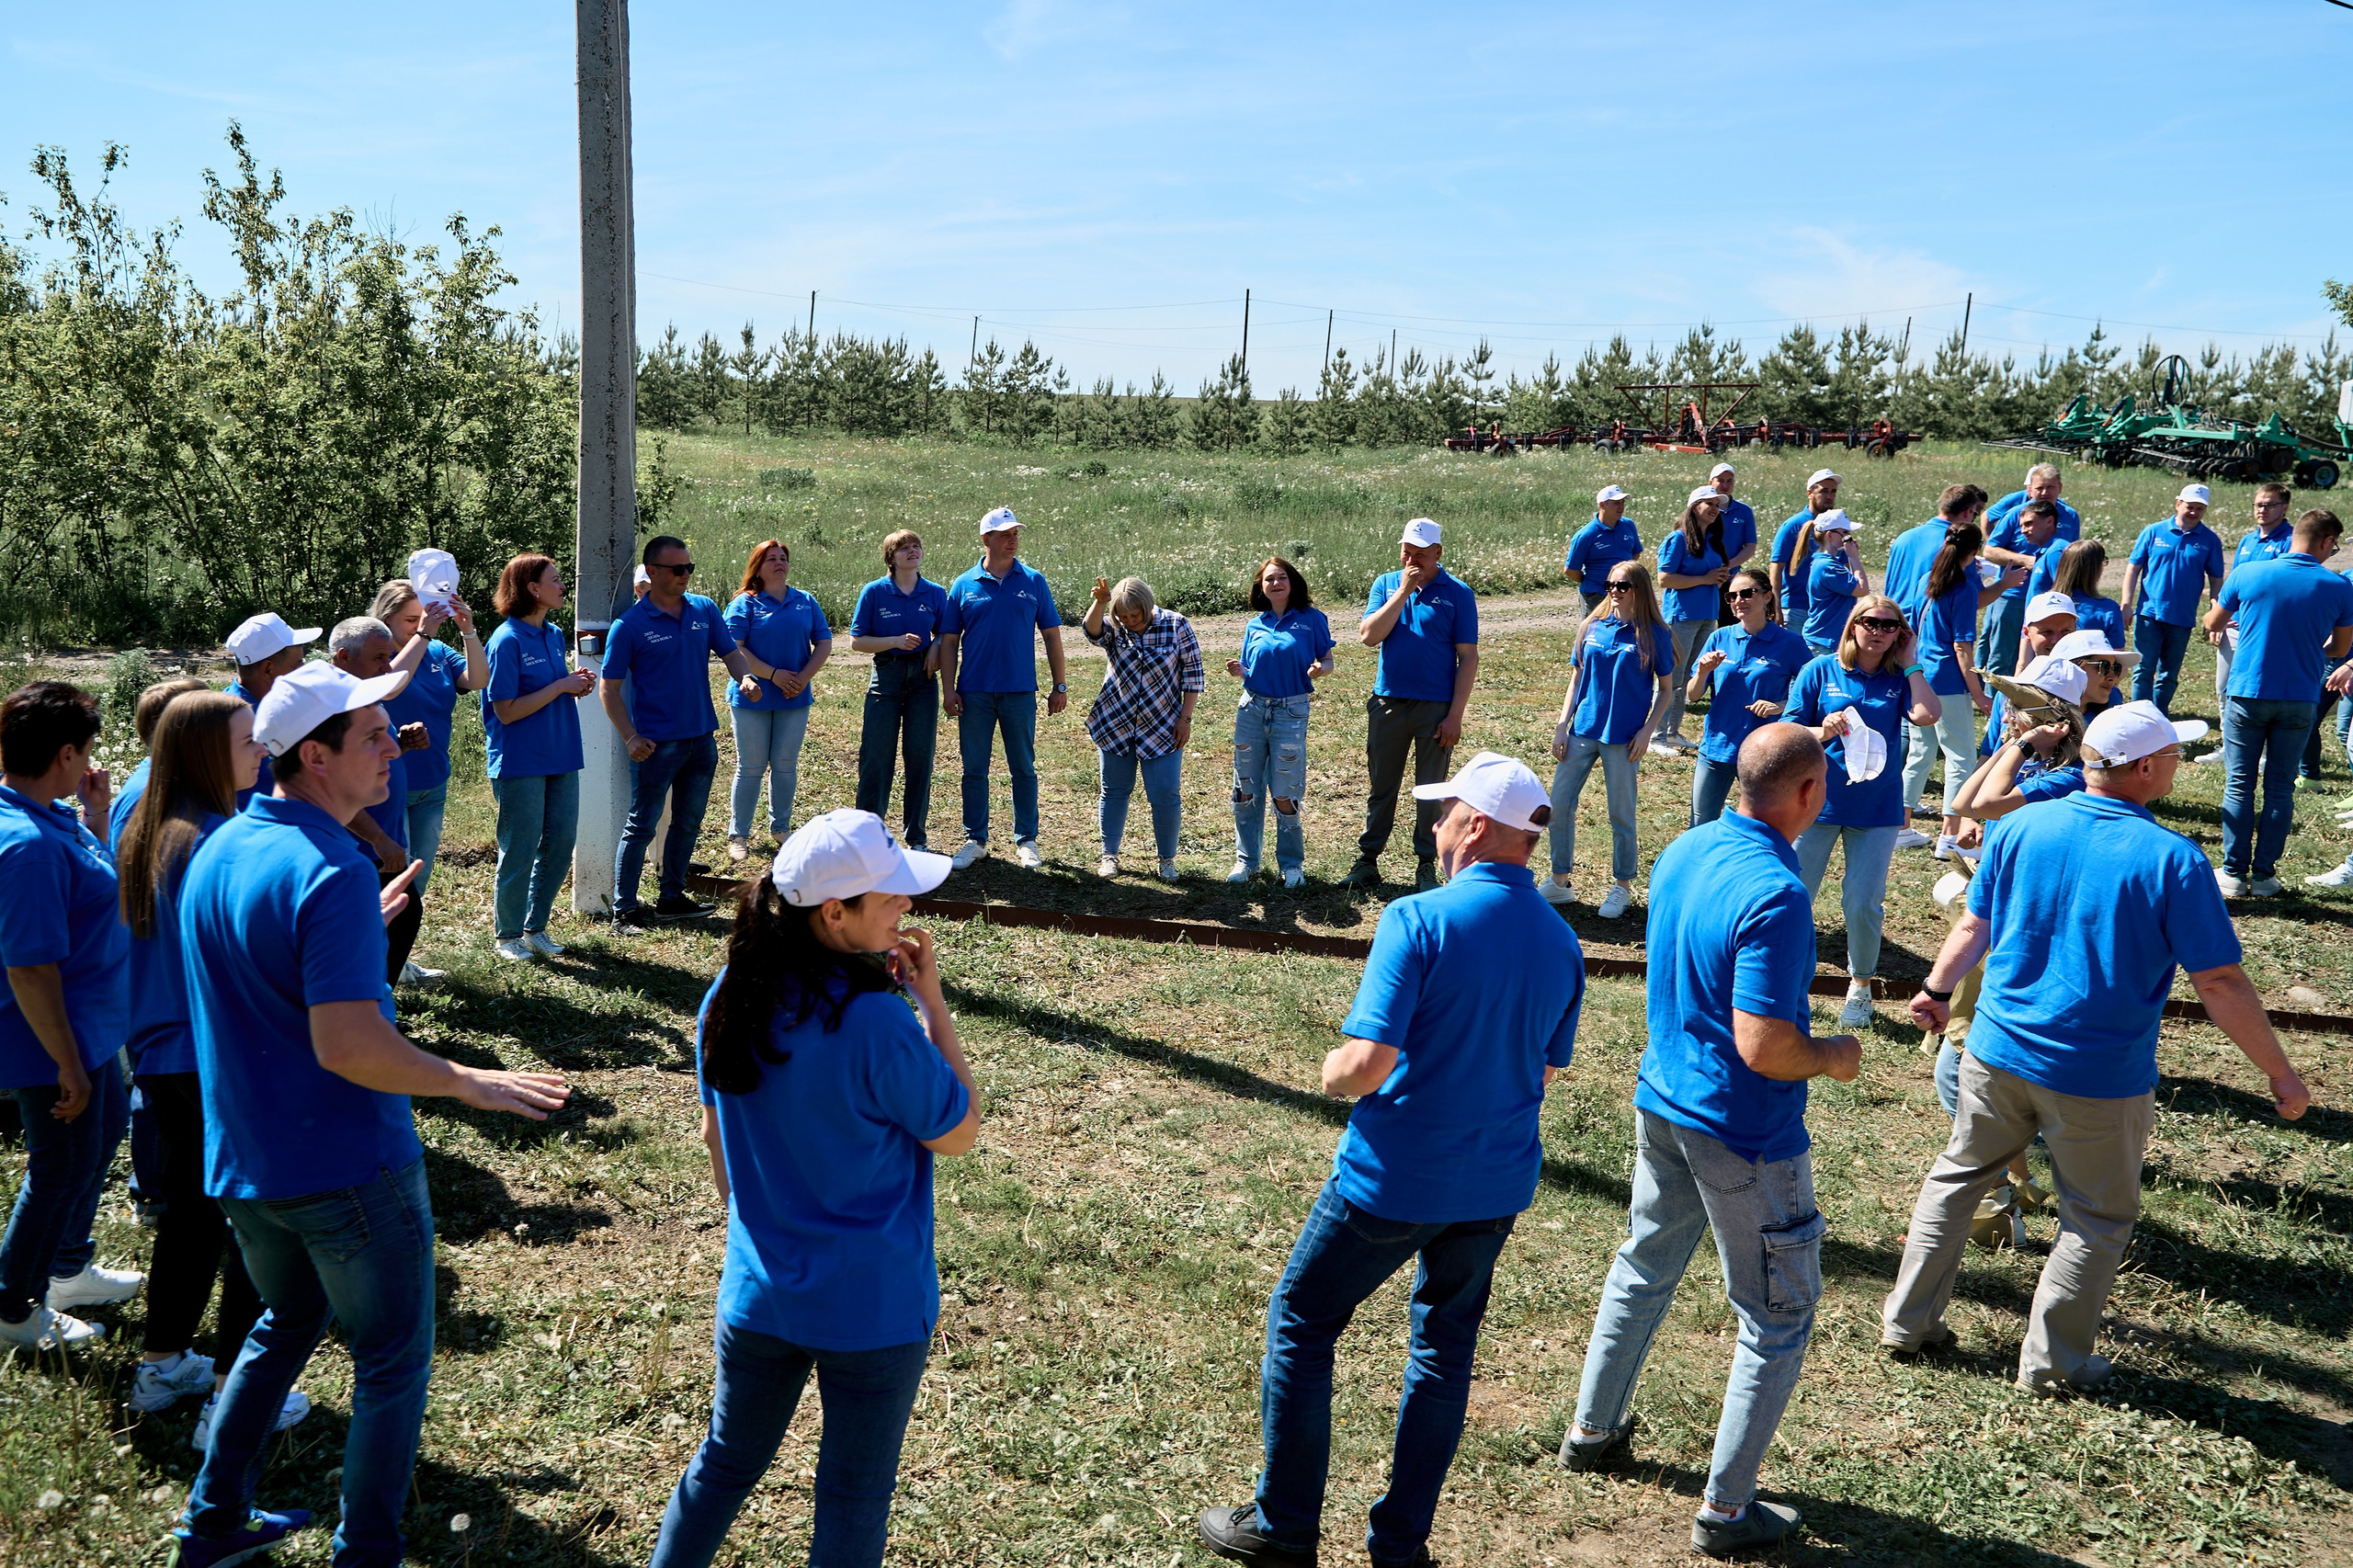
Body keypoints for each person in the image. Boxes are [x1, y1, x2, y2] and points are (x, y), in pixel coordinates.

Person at [169, 662, 569, 1568]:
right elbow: (348, 1045)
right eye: (374, 735)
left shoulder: (223, 845)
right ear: (315, 755)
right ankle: (368, 1551)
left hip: (246, 1165)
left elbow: (267, 973)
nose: (398, 744)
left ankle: (211, 1521)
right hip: (347, 1166)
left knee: (281, 1323)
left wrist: (355, 926)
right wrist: (471, 1079)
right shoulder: (332, 868)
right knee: (389, 1360)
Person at [1198, 753, 1581, 1568]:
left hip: (1394, 1177)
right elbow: (1547, 1065)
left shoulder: (1418, 919)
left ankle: (1284, 1525)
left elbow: (1366, 1063)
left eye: (1444, 814)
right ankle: (1400, 1546)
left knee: (1303, 1320)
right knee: (1443, 1352)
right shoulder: (1561, 941)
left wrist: (1330, 1072)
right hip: (1494, 1182)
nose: (1435, 827)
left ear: (1476, 827)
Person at [1884, 701, 2310, 1394]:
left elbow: (1974, 924)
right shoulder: (2173, 859)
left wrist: (1936, 988)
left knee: (1956, 1179)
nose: (2178, 764)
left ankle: (1907, 1322)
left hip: (1994, 1052)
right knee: (2097, 1217)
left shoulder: (2021, 826)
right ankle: (2053, 1365)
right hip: (2097, 1075)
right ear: (2143, 767)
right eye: (2173, 755)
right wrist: (2281, 1074)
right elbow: (2222, 983)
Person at [1562, 723, 1859, 1561]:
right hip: (1745, 1132)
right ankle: (1727, 1513)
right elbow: (1764, 1044)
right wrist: (1835, 1057)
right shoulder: (1778, 891)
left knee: (1644, 1264)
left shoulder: (1684, 850)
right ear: (1805, 795)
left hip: (1663, 1103)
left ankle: (1593, 1429)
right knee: (1777, 1316)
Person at [648, 811, 976, 1568]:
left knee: (723, 1465)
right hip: (873, 1308)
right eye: (889, 895)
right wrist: (931, 1005)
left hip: (760, 1296)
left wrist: (764, 1235)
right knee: (854, 1498)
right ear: (835, 913)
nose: (906, 906)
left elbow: (712, 1137)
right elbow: (957, 1131)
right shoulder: (879, 1024)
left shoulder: (731, 993)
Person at [113, 689, 314, 1445]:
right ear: (204, 753)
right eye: (246, 740)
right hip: (211, 1055)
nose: (262, 750)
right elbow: (246, 959)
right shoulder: (212, 839)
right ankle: (236, 1395)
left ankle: (163, 1363)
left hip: (162, 1053)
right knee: (251, 1225)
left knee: (194, 1217)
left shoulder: (149, 824)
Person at [0, 682, 139, 1353]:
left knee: (105, 1130)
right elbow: (29, 968)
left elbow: (88, 877)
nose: (89, 759)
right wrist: (64, 1064)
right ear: (64, 752)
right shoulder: (24, 841)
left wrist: (97, 812)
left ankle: (67, 1268)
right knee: (59, 1165)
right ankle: (14, 1307)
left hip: (89, 1025)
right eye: (85, 749)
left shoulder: (48, 814)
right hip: (51, 1039)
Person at [600, 535, 776, 928]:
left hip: (701, 739)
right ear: (653, 572)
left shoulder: (704, 609)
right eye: (677, 569)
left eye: (689, 568)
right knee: (641, 824)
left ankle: (671, 897)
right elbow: (608, 689)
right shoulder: (628, 626)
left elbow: (730, 651)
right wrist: (631, 737)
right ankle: (624, 909)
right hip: (655, 745)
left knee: (687, 821)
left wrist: (745, 676)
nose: (685, 575)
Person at [1786, 594, 1942, 1028]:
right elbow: (1790, 727)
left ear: (1900, 634)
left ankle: (1860, 986)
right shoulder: (1821, 669)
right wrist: (1824, 728)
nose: (1878, 631)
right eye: (1870, 622)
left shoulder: (1898, 677)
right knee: (1796, 895)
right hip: (1818, 802)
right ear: (1854, 624)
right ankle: (1785, 979)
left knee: (1863, 903)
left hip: (1876, 808)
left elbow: (1928, 714)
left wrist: (1911, 661)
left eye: (1890, 626)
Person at [2202, 507, 2353, 897]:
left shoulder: (2249, 573)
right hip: (2299, 696)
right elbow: (2341, 646)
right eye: (2333, 547)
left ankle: (2233, 874)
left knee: (2239, 785)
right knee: (2280, 788)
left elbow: (2212, 623)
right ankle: (2266, 875)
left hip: (2248, 691)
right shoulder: (2337, 586)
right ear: (2324, 541)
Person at [1346, 518, 1480, 893]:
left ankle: (1426, 864)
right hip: (1388, 702)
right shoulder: (1387, 584)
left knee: (1431, 788)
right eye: (1407, 551)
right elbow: (1369, 637)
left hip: (1435, 708)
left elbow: (1467, 657)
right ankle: (1368, 860)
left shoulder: (1458, 593)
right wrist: (1403, 593)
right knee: (1381, 785)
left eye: (1420, 554)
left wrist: (1455, 715)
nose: (1412, 560)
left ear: (1438, 552)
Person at [938, 507, 1069, 871]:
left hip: (1019, 691)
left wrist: (1059, 684)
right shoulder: (963, 585)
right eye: (1005, 534)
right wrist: (949, 690)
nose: (1013, 540)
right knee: (974, 768)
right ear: (986, 539)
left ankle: (1027, 840)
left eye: (1015, 533)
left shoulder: (1033, 580)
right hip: (975, 692)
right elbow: (949, 642)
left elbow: (1052, 636)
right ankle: (975, 839)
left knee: (1023, 767)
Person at [483, 553, 596, 962]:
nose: (563, 585)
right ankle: (507, 935)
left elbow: (552, 688)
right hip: (520, 761)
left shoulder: (551, 634)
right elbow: (506, 710)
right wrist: (560, 686)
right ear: (532, 588)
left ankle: (536, 927)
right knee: (521, 846)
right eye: (556, 579)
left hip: (562, 754)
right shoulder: (506, 639)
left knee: (562, 842)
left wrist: (574, 685)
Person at [1545, 563, 1673, 916]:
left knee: (1621, 814)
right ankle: (1559, 882)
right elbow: (1576, 679)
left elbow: (1666, 690)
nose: (1614, 590)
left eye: (1623, 585)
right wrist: (1561, 724)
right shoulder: (1591, 627)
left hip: (1624, 738)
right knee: (1558, 806)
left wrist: (1648, 732)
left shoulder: (1654, 635)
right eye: (1610, 584)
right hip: (1582, 731)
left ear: (1639, 589)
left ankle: (1622, 886)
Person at [1899, 522, 2016, 855]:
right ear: (1975, 551)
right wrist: (1980, 694)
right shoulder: (1963, 588)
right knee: (1961, 757)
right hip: (1948, 682)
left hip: (1919, 677)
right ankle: (1950, 836)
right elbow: (1962, 648)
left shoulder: (1929, 580)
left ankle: (1901, 826)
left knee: (1920, 754)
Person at [329, 619, 432, 986]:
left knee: (400, 917)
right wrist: (379, 839)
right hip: (355, 850)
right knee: (382, 929)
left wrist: (401, 744)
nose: (388, 667)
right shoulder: (333, 709)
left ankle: (377, 1007)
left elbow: (364, 765)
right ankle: (370, 1012)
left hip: (376, 846)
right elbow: (330, 789)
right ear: (343, 657)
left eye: (389, 657)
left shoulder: (365, 697)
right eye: (379, 658)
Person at [372, 577, 487, 900]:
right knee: (394, 878)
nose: (420, 624)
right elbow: (390, 684)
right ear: (386, 620)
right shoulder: (376, 658)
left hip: (433, 782)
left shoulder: (437, 650)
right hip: (389, 786)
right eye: (411, 619)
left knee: (417, 881)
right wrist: (423, 633)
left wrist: (468, 630)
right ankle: (383, 949)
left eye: (424, 616)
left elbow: (478, 680)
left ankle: (402, 949)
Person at [1084, 576, 1205, 881]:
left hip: (1163, 727)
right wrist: (1101, 602)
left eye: (1134, 616)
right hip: (1116, 724)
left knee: (1165, 794)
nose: (1129, 621)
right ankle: (1109, 856)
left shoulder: (1176, 625)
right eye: (1122, 616)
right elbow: (1092, 631)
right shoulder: (1116, 628)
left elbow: (1193, 675)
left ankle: (1167, 860)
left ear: (1147, 607)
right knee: (1113, 791)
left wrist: (1185, 718)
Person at [723, 539, 834, 861]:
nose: (779, 563)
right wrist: (773, 674)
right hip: (753, 696)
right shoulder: (745, 603)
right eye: (771, 558)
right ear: (757, 565)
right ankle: (739, 834)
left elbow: (824, 643)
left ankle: (781, 828)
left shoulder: (805, 600)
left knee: (785, 766)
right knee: (751, 767)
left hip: (794, 697)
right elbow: (735, 649)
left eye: (783, 557)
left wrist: (803, 678)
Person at [1227, 557, 1334, 888]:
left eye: (1282, 577)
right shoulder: (1254, 625)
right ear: (1261, 587)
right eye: (1269, 579)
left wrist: (1320, 670)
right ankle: (1247, 861)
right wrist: (1239, 672)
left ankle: (1291, 865)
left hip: (1291, 711)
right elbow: (1251, 668)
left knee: (1285, 792)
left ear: (1292, 582)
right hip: (1252, 709)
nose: (1276, 583)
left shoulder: (1312, 619)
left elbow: (1327, 660)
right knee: (1245, 789)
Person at [1687, 566, 1811, 826]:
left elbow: (1810, 692)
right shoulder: (1719, 637)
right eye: (1731, 596)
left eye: (1746, 593)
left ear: (1767, 597)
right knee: (1701, 822)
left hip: (1762, 752)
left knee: (1762, 823)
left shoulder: (1790, 643)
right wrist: (1702, 672)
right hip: (1717, 748)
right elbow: (1693, 695)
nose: (1738, 601)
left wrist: (1780, 706)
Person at [848, 529, 948, 850]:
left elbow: (948, 633)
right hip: (886, 676)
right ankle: (868, 838)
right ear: (891, 558)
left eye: (916, 546)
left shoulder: (934, 593)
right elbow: (856, 641)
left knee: (920, 757)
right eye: (903, 548)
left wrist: (934, 648)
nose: (911, 551)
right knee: (877, 757)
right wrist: (893, 641)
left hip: (923, 679)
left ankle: (916, 837)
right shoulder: (875, 592)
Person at [2122, 484, 2227, 716]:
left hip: (2182, 617)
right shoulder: (2154, 531)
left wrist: (2215, 610)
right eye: (2190, 507)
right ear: (2178, 504)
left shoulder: (2210, 540)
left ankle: (2159, 716)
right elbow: (2133, 568)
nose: (2194, 512)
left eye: (2200, 508)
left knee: (2169, 673)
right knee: (2143, 668)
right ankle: (2138, 715)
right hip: (2149, 613)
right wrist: (2126, 603)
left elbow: (2216, 579)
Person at [1981, 465, 2084, 676]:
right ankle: (1997, 704)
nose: (2045, 492)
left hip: (2051, 600)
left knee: (2045, 656)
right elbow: (1990, 551)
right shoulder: (2016, 515)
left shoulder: (2070, 516)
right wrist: (2026, 560)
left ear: (2060, 488)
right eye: (2040, 488)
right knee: (2003, 656)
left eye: (2050, 487)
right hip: (2014, 596)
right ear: (2030, 490)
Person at [1653, 486, 1733, 752]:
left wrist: (1719, 578)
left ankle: (1672, 732)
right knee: (1672, 675)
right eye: (1708, 503)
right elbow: (1664, 579)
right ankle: (1656, 734)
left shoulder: (1711, 540)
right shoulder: (1677, 539)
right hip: (1681, 616)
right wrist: (1705, 578)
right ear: (1693, 507)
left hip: (1707, 616)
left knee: (1689, 674)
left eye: (1717, 505)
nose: (1714, 508)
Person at [222, 612, 322, 809]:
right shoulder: (230, 721)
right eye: (297, 664)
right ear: (268, 669)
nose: (304, 670)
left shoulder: (283, 705)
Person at [2213, 483, 2296, 704]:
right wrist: (2221, 619)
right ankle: (2227, 736)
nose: (2262, 510)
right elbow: (2233, 583)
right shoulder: (2247, 541)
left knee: (2258, 687)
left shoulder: (2291, 541)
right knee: (2224, 687)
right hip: (2236, 625)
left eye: (2270, 505)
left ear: (2284, 508)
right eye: (2259, 505)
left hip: (2266, 628)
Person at [1883, 485, 1988, 631]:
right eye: (1974, 513)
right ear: (1967, 512)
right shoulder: (1958, 544)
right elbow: (1977, 599)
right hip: (1924, 629)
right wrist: (2006, 583)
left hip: (1891, 623)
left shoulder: (1904, 537)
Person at [1769, 468, 1840, 626]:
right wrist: (1776, 605)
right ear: (1810, 493)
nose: (1829, 497)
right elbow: (1776, 567)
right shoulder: (1793, 526)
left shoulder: (1837, 526)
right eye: (1824, 491)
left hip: (1827, 609)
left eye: (1833, 492)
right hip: (1797, 609)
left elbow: (1844, 565)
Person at [1796, 511, 1867, 654]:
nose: (1848, 538)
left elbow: (1855, 583)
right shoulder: (1827, 567)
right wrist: (1854, 557)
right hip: (1823, 641)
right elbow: (1862, 589)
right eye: (1845, 533)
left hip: (1825, 639)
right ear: (1829, 535)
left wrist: (1851, 557)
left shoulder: (1828, 563)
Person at [1563, 485, 1641, 613]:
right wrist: (1593, 581)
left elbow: (1635, 554)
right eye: (1616, 503)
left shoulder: (1628, 525)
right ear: (1602, 505)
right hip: (1596, 595)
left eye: (1623, 502)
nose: (1621, 506)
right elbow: (1571, 569)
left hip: (1624, 593)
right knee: (1595, 631)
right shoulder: (1586, 535)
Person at [2051, 540, 2124, 650]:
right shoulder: (2107, 609)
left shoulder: (2046, 604)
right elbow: (2118, 658)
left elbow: (2025, 657)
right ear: (2095, 569)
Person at [1709, 460, 1760, 578]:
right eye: (1720, 481)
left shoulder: (1744, 511)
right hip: (1705, 574)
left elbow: (1750, 546)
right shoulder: (1704, 510)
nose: (1725, 485)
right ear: (1710, 483)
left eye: (1729, 481)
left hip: (1731, 575)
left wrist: (1727, 566)